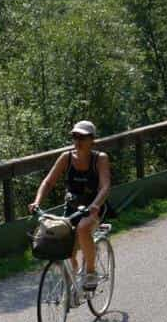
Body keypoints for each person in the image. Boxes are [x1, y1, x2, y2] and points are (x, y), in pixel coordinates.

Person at [29, 121, 112, 290]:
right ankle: (72, 277)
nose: (78, 141)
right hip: (72, 209)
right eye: (75, 136)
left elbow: (105, 186)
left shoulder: (100, 159)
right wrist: (37, 202)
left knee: (82, 228)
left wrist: (95, 205)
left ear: (92, 140)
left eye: (82, 137)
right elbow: (48, 182)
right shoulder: (66, 158)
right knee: (64, 244)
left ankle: (90, 272)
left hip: (93, 208)